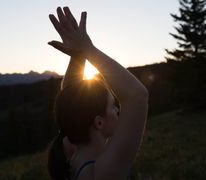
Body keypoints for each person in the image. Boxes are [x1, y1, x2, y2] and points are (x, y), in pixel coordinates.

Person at [47, 6, 148, 180]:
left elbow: (72, 103)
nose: (118, 110)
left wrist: (78, 57)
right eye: (113, 106)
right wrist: (88, 49)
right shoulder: (102, 173)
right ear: (99, 122)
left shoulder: (72, 152)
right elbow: (137, 95)